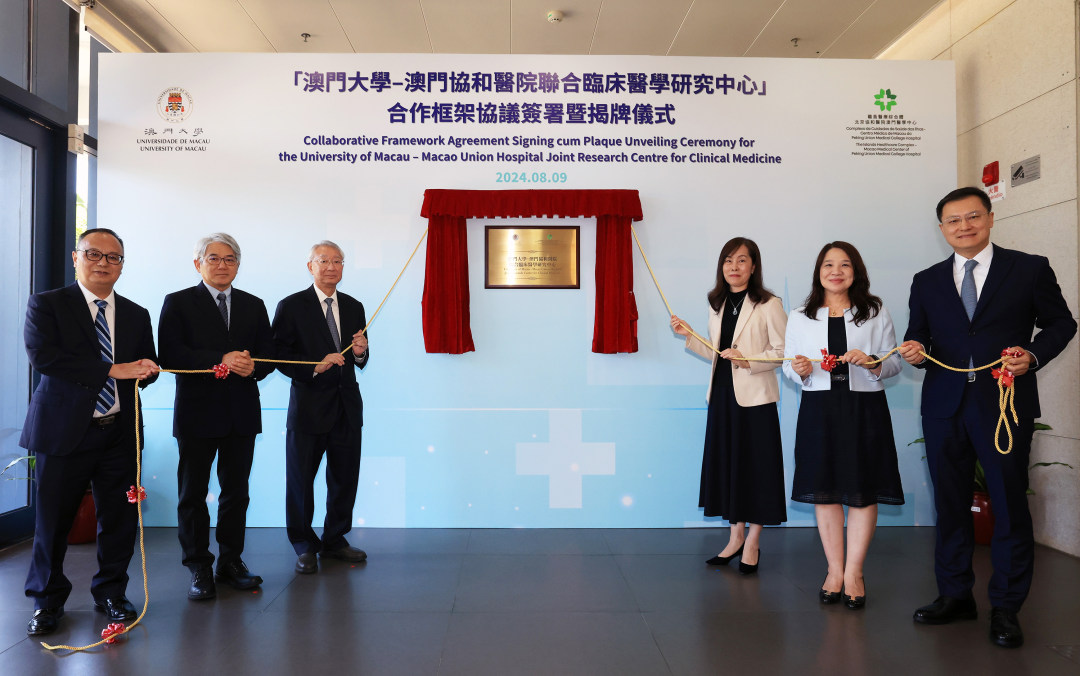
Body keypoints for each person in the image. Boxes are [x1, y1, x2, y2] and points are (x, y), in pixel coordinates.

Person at [899, 187, 1076, 647]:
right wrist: (915, 350)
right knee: (950, 504)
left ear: (990, 218)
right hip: (944, 407)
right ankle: (955, 595)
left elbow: (1062, 323)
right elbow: (920, 336)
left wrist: (1032, 356)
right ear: (942, 229)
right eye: (953, 220)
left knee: (1009, 503)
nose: (964, 226)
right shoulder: (926, 280)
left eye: (972, 216)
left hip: (1005, 405)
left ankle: (1006, 607)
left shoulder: (1029, 268)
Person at [21, 228, 159, 636]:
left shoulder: (136, 313)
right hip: (63, 431)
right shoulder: (47, 304)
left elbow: (143, 367)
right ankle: (46, 601)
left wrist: (147, 370)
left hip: (119, 432)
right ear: (75, 257)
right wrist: (111, 369)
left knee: (119, 519)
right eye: (94, 254)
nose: (103, 263)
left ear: (122, 265)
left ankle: (111, 592)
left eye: (113, 257)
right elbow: (44, 358)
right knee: (52, 522)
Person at [783, 241, 904, 610]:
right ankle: (834, 571)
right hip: (819, 408)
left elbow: (893, 362)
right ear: (818, 272)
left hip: (864, 408)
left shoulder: (875, 311)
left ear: (856, 272)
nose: (836, 271)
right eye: (828, 265)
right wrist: (799, 370)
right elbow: (788, 365)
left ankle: (854, 573)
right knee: (825, 490)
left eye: (845, 265)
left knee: (863, 489)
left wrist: (872, 362)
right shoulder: (800, 315)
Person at [158, 233, 275, 600]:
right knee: (192, 493)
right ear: (198, 263)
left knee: (236, 492)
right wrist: (219, 360)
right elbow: (170, 356)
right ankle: (198, 566)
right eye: (214, 258)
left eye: (230, 259)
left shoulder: (254, 305)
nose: (222, 265)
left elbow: (268, 357)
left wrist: (254, 367)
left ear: (238, 265)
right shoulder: (178, 302)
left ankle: (230, 561)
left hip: (242, 412)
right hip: (197, 412)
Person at [670, 237, 787, 575]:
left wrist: (747, 359)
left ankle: (753, 542)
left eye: (741, 260)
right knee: (730, 468)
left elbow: (783, 352)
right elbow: (717, 352)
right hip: (722, 397)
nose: (734, 267)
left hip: (756, 400)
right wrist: (690, 335)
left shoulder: (769, 304)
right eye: (728, 261)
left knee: (757, 470)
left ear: (754, 266)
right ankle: (735, 538)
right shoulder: (717, 302)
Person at [272, 241, 370, 574]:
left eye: (337, 261)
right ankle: (303, 544)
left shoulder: (354, 306)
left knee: (344, 478)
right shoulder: (291, 306)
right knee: (301, 481)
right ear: (310, 266)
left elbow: (359, 357)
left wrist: (360, 352)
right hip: (308, 409)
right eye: (324, 260)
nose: (331, 267)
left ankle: (335, 539)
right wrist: (314, 365)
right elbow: (278, 356)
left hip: (347, 407)